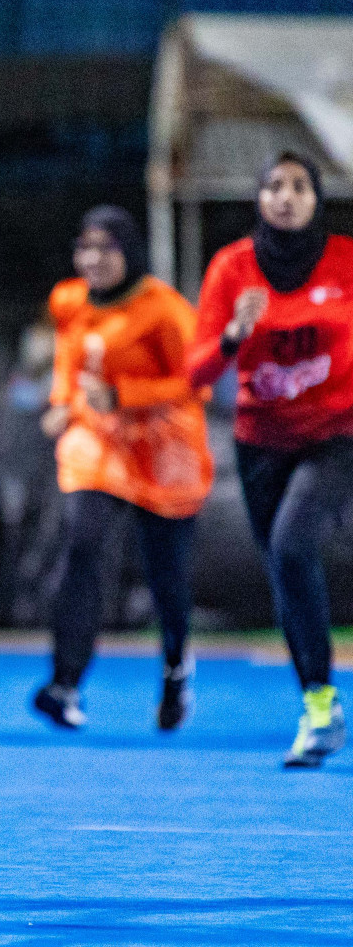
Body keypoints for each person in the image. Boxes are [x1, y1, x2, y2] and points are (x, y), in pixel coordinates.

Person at [189, 151, 353, 768]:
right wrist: (233, 334)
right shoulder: (232, 268)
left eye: (300, 186)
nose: (286, 197)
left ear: (316, 198)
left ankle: (316, 705)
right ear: (259, 199)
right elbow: (195, 373)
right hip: (261, 443)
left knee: (291, 544)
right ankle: (319, 705)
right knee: (284, 572)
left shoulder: (345, 259)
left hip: (338, 435)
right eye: (274, 187)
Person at [32, 206, 213, 732]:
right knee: (82, 547)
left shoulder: (164, 311)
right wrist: (63, 401)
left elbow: (197, 382)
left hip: (164, 453)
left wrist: (124, 395)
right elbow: (70, 355)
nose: (93, 259)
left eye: (105, 248)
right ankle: (64, 682)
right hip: (99, 447)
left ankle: (177, 666)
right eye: (84, 247)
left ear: (129, 252)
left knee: (167, 579)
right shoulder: (69, 299)